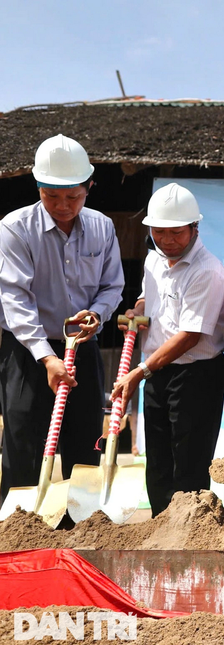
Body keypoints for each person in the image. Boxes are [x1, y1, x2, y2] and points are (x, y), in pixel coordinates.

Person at [0, 134, 124, 504]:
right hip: (28, 352)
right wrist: (47, 357)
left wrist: (97, 315)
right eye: (51, 196)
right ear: (38, 187)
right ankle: (18, 526)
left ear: (89, 187)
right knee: (23, 440)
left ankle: (81, 523)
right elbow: (14, 298)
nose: (62, 206)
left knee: (85, 443)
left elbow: (113, 286)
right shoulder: (14, 228)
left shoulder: (102, 227)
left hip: (82, 349)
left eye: (73, 196)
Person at [111, 183, 224, 517]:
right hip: (157, 371)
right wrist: (137, 310)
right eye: (159, 232)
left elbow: (190, 336)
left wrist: (140, 371)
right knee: (158, 461)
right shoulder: (154, 259)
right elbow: (149, 296)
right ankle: (160, 524)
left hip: (196, 375)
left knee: (189, 463)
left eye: (176, 232)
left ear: (194, 228)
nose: (167, 240)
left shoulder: (207, 271)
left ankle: (190, 530)